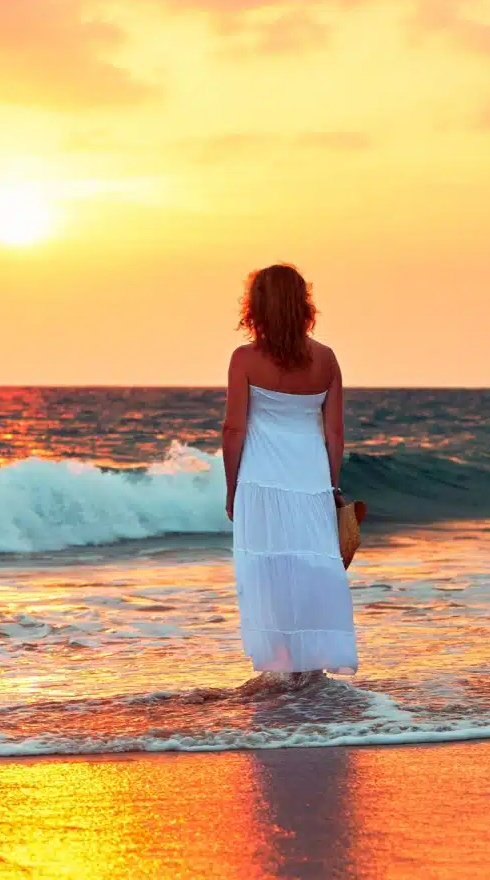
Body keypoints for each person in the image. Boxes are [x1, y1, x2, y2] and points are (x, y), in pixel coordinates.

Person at [222, 263, 359, 683]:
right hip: (311, 481)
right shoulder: (326, 359)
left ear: (257, 305)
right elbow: (334, 432)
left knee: (267, 572)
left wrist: (230, 491)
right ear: (303, 304)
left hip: (261, 483)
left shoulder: (245, 358)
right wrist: (331, 485)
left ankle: (282, 673)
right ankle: (311, 672)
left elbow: (234, 429)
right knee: (311, 571)